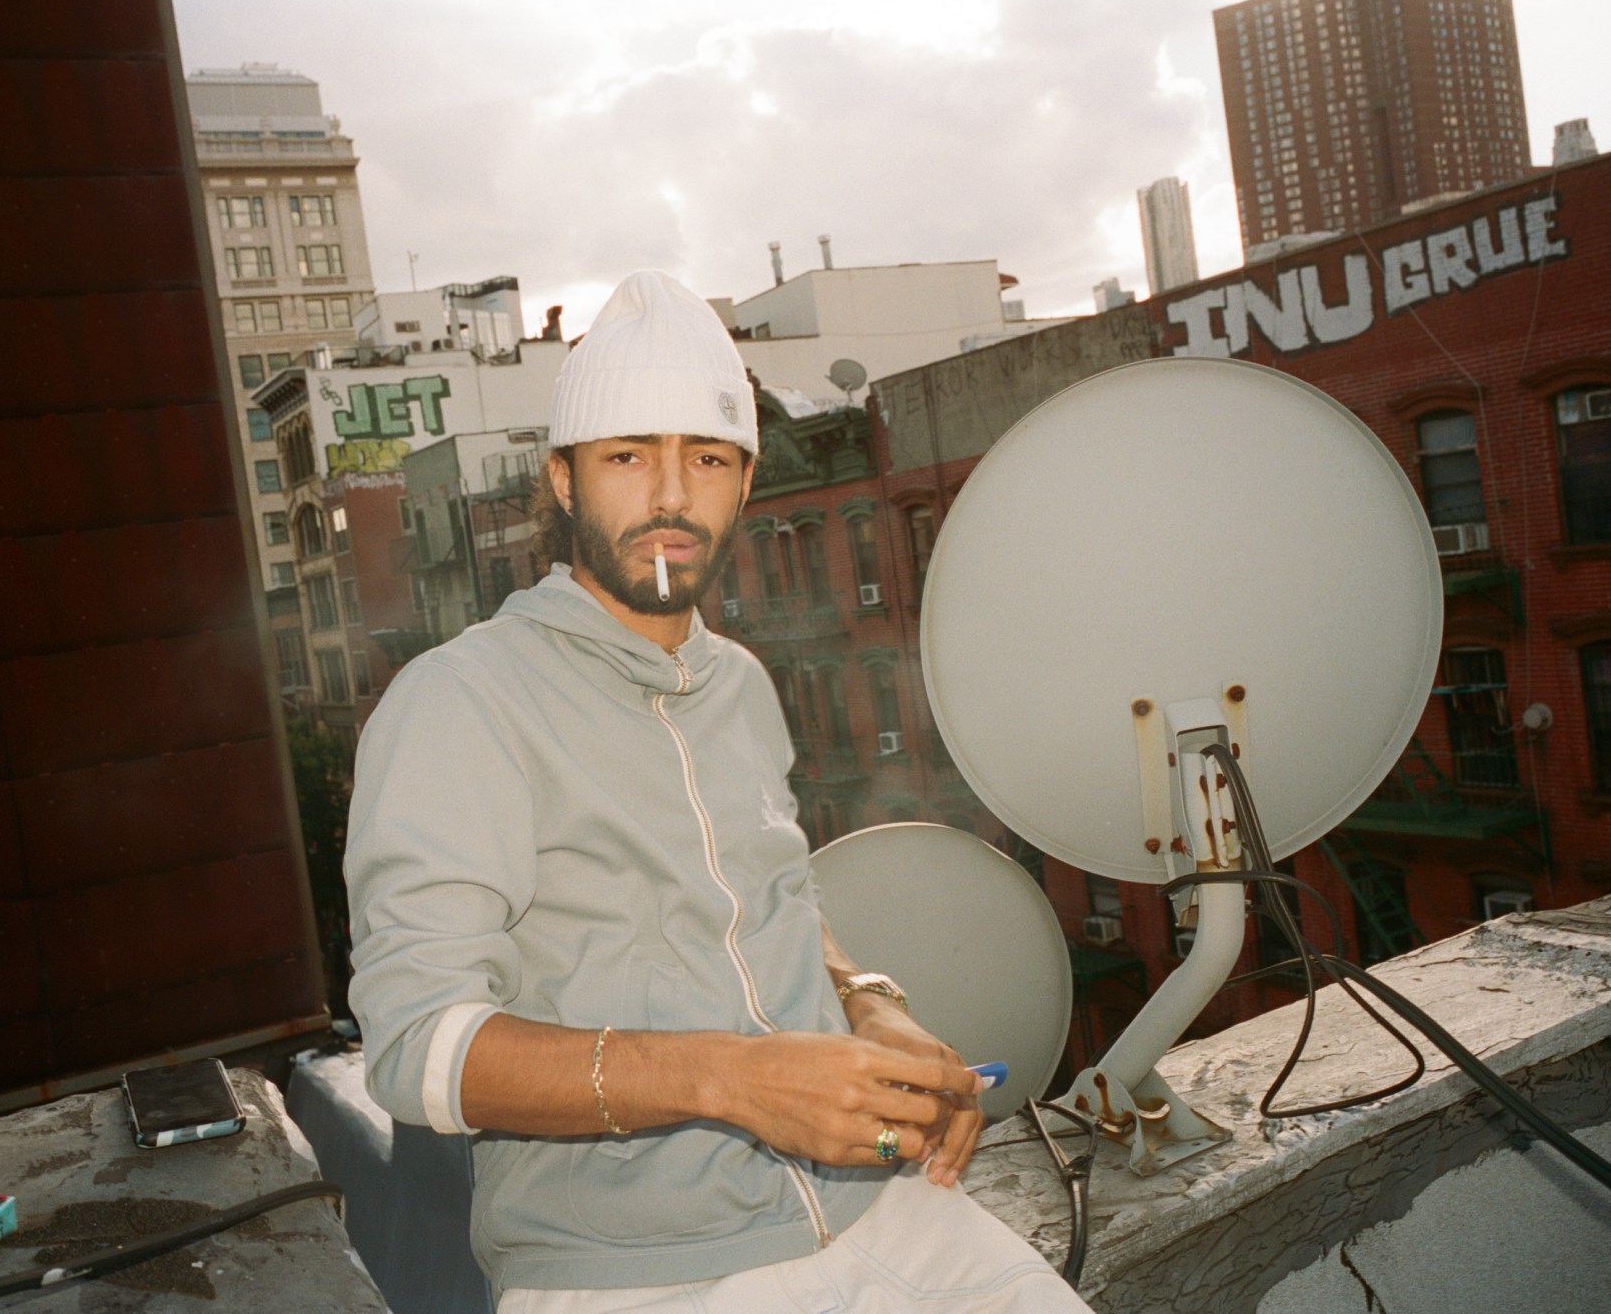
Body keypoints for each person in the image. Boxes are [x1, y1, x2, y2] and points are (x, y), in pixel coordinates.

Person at [344, 270, 1091, 1312]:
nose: (666, 496)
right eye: (625, 457)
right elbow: (416, 1051)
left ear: (741, 483)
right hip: (636, 1275)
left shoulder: (735, 682)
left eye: (703, 458)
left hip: (876, 1207)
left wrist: (869, 1009)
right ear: (561, 480)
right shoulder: (459, 703)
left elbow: (768, 894)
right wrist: (730, 1079)